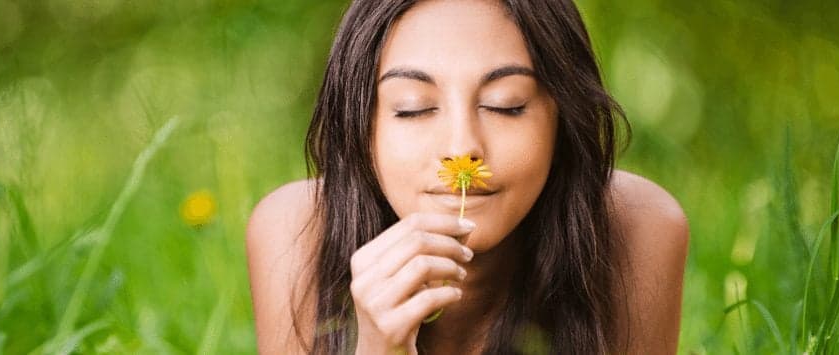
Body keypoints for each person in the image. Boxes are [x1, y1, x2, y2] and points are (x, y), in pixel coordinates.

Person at [246, 0, 688, 354]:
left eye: (506, 104)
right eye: (413, 107)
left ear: (563, 118)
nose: (461, 148)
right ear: (361, 127)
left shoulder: (638, 226)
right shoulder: (296, 231)